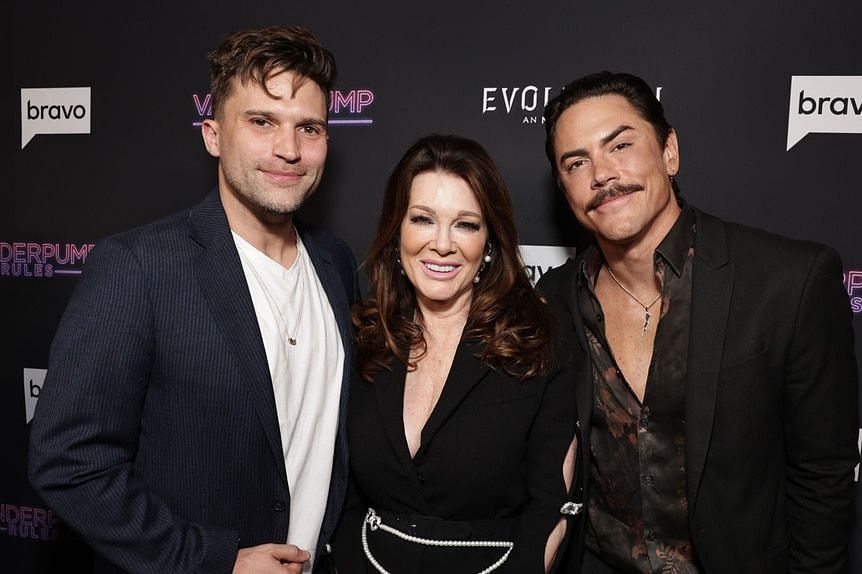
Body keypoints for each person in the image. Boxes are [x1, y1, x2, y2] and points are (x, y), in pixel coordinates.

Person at [29, 26, 358, 574]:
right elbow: (69, 464)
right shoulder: (139, 267)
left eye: (310, 127)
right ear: (212, 134)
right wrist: (214, 561)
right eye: (261, 121)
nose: (289, 148)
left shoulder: (336, 264)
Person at [537, 71, 859, 573]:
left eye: (620, 145)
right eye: (577, 162)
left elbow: (823, 475)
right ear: (565, 189)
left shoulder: (787, 282)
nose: (601, 173)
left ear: (670, 151)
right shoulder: (552, 299)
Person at [330, 134, 580, 573]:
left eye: (465, 224)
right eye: (423, 219)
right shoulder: (364, 337)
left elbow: (551, 511)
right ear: (396, 230)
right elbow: (341, 493)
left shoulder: (537, 343)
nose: (442, 244)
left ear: (489, 240)